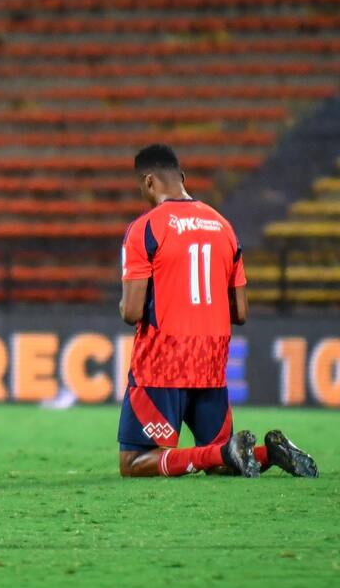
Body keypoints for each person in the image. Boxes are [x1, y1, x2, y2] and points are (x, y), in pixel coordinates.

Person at [117, 144, 318, 479]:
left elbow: (132, 311)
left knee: (133, 462)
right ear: (182, 177)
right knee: (225, 462)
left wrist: (125, 303)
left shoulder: (145, 228)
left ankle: (225, 451)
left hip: (163, 362)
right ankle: (267, 453)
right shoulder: (223, 226)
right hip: (211, 360)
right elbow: (241, 312)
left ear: (149, 182)